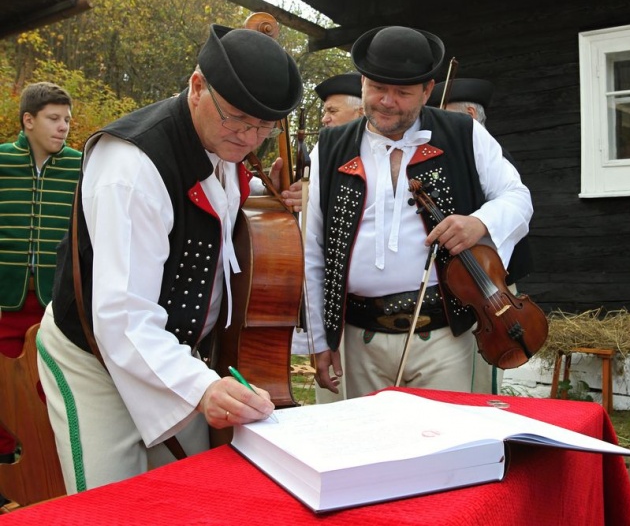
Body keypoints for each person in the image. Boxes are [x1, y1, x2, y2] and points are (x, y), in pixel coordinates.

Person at [35, 24, 303, 493]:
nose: (248, 138)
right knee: (110, 503)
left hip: (172, 351)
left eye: (263, 127)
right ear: (197, 86)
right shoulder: (132, 167)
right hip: (94, 354)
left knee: (198, 490)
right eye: (238, 119)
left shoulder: (222, 140)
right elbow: (121, 316)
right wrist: (202, 388)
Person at [304, 26, 533, 399]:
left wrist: (479, 223)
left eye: (402, 93)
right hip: (356, 339)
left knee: (444, 448)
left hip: (445, 337)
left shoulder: (464, 133)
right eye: (377, 88)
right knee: (368, 451)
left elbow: (517, 197)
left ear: (427, 91)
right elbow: (313, 247)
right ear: (362, 82)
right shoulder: (329, 148)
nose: (387, 101)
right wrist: (318, 338)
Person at [428, 77, 535, 394]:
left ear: (470, 115)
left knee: (481, 384)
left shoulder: (492, 155)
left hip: (491, 286)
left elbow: (515, 206)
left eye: (444, 114)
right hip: (463, 286)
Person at [0, 82, 81, 473]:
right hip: (5, 298)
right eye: (53, 118)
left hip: (56, 301)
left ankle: (48, 463)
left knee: (47, 384)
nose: (63, 126)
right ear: (28, 120)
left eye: (67, 119)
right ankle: (4, 464)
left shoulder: (82, 167)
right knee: (1, 385)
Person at [297, 72, 364, 404]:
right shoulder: (321, 153)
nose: (324, 118)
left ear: (361, 112)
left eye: (332, 111)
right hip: (332, 302)